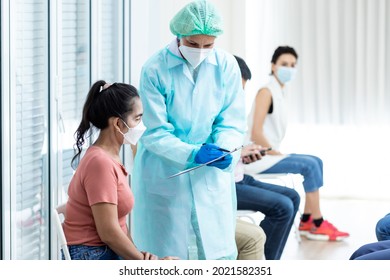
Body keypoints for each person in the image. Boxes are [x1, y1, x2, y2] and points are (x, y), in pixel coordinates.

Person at [131, 0, 246, 260]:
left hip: (210, 173)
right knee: (167, 255)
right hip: (166, 170)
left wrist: (224, 148)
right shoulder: (154, 69)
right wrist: (192, 153)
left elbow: (232, 121)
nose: (201, 51)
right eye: (193, 44)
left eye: (209, 45)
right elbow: (156, 132)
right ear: (179, 36)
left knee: (215, 253)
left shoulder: (226, 65)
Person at [62, 80, 178, 260]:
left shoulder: (110, 158)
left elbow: (118, 224)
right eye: (137, 118)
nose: (142, 125)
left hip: (103, 251)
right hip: (92, 254)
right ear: (118, 123)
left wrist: (140, 256)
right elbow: (108, 232)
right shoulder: (100, 163)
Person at [244, 46, 349, 241]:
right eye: (284, 64)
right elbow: (256, 132)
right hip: (258, 156)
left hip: (270, 154)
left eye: (293, 65)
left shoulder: (279, 92)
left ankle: (307, 220)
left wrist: (276, 152)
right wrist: (275, 152)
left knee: (316, 160)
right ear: (273, 66)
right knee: (308, 165)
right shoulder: (266, 92)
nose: (289, 69)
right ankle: (317, 223)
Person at [234, 55, 300, 260]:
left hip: (240, 175)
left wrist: (243, 153)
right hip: (228, 185)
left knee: (293, 197)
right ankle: (267, 264)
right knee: (283, 206)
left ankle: (271, 262)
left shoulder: (230, 111)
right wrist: (239, 152)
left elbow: (229, 146)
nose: (238, 95)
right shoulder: (209, 112)